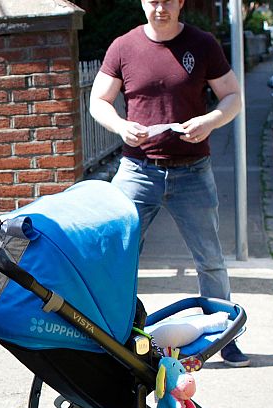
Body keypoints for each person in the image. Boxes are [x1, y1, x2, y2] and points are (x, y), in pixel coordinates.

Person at [89, 0, 249, 367]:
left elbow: (233, 96)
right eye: (153, 0)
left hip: (193, 171)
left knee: (209, 258)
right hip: (137, 171)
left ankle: (224, 336)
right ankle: (112, 336)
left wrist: (210, 120)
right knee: (117, 253)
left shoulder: (203, 43)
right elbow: (99, 100)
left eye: (168, 0)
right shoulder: (123, 47)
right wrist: (120, 126)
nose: (160, 7)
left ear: (180, 3)